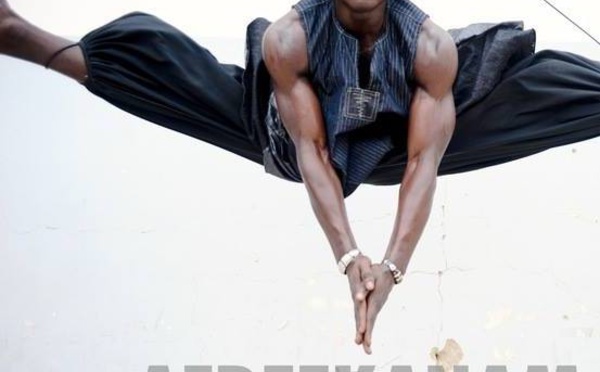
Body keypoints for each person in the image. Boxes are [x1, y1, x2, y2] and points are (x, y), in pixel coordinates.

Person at [1, 0, 599, 355]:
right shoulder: (292, 38)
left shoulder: (429, 46)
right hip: (289, 140)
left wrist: (391, 266)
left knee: (540, 87)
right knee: (165, 61)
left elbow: (423, 164)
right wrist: (348, 257)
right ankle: (19, 33)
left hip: (400, 139)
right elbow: (312, 151)